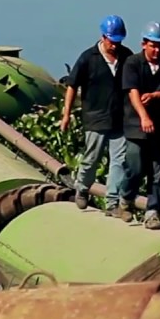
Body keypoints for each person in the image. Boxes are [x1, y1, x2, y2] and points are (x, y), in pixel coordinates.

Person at [60, 15, 134, 212]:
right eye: (112, 41)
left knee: (119, 161)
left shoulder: (127, 56)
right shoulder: (88, 58)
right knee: (91, 159)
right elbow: (72, 85)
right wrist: (66, 114)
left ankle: (112, 202)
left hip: (120, 119)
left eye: (118, 41)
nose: (115, 46)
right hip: (95, 118)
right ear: (103, 37)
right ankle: (82, 188)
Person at [120, 21, 160, 229]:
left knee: (159, 172)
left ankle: (153, 211)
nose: (156, 50)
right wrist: (144, 117)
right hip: (136, 126)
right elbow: (132, 92)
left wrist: (157, 95)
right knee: (135, 167)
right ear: (144, 44)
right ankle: (126, 198)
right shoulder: (132, 63)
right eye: (153, 45)